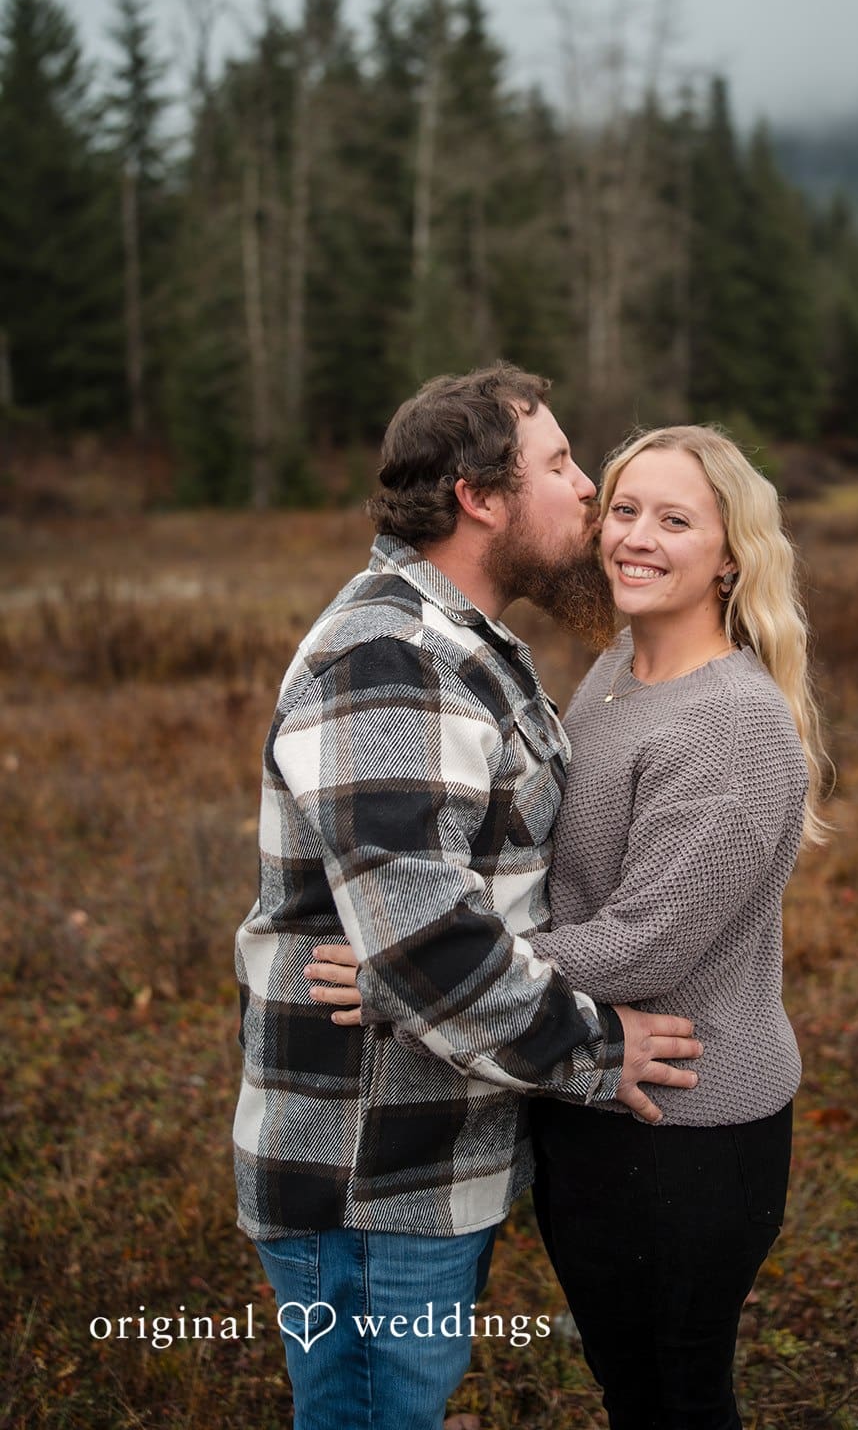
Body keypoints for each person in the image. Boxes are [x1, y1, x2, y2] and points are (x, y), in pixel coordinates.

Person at [310, 421, 829, 1429]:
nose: (634, 535)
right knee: (631, 1386)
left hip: (684, 1122)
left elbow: (645, 943)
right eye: (622, 509)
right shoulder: (614, 674)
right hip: (593, 1094)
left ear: (729, 555)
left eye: (674, 519)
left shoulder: (729, 721)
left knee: (674, 1396)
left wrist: (417, 975)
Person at [233, 365, 703, 1430]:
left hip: (430, 1149)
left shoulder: (467, 648)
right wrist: (598, 1049)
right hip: (368, 1172)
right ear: (477, 497)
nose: (589, 488)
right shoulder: (390, 660)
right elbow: (429, 948)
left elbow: (452, 920)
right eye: (558, 465)